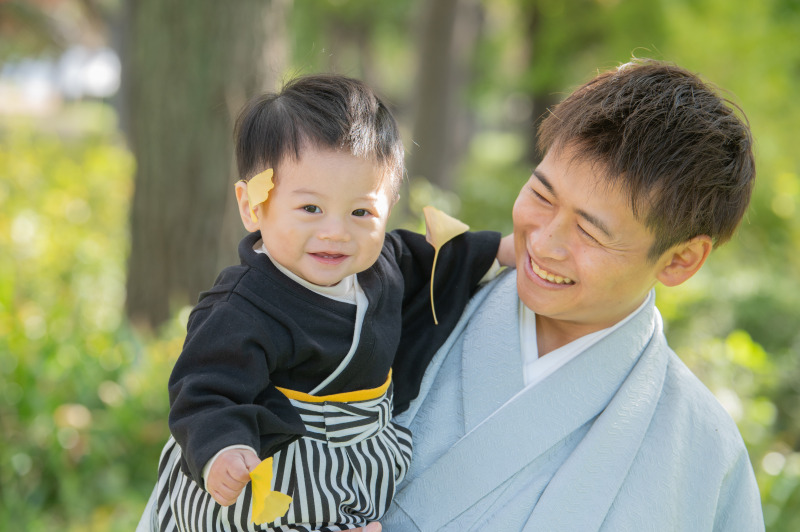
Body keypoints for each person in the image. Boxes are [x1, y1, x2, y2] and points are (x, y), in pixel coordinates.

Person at [378, 59, 764, 531]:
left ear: (680, 260)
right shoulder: (401, 307)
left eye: (589, 231)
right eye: (542, 195)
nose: (542, 243)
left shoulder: (706, 453)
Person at [138, 74, 513, 532]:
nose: (335, 232)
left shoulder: (384, 263)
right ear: (253, 205)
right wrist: (222, 449)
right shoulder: (243, 307)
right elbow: (205, 387)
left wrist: (500, 251)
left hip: (353, 458)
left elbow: (435, 262)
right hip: (270, 470)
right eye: (311, 209)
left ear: (388, 207)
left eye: (361, 212)